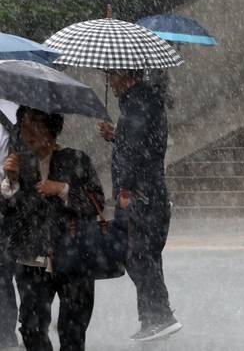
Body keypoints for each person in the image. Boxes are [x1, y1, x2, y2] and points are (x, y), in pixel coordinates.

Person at [1, 107, 104, 351]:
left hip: (74, 259)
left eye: (36, 123)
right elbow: (9, 212)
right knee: (30, 328)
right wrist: (10, 180)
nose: (28, 131)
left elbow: (96, 203)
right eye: (23, 125)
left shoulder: (76, 159)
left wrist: (63, 189)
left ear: (51, 128)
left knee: (73, 332)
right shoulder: (20, 164)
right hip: (32, 260)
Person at [98, 69, 182, 341]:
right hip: (150, 192)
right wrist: (116, 135)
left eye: (111, 76)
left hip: (140, 194)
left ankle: (160, 316)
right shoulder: (144, 101)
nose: (109, 82)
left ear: (125, 74)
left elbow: (135, 152)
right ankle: (152, 318)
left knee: (137, 255)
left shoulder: (138, 102)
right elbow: (140, 142)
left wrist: (125, 188)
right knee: (145, 254)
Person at [0, 100, 19, 349]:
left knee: (3, 276)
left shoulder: (11, 114)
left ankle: (6, 336)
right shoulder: (12, 112)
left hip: (5, 208)